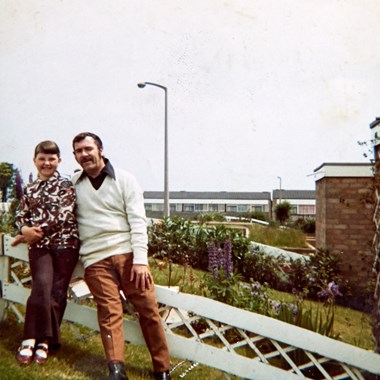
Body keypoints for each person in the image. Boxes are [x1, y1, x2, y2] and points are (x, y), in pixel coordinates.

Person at [71, 132, 171, 380]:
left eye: (88, 149)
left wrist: (140, 261)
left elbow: (138, 222)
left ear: (100, 150)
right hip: (95, 260)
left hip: (128, 256)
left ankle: (162, 369)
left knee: (148, 310)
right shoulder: (73, 184)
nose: (84, 155)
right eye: (78, 151)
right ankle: (116, 370)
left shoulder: (126, 180)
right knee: (108, 313)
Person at [13, 140, 80, 366]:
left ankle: (44, 342)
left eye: (52, 159)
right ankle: (30, 338)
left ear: (59, 161)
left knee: (57, 294)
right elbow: (20, 215)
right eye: (42, 158)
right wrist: (24, 230)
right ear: (35, 161)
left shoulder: (66, 185)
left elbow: (63, 215)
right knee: (41, 287)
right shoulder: (29, 189)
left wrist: (33, 232)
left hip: (65, 246)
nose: (47, 163)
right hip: (40, 247)